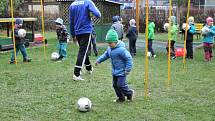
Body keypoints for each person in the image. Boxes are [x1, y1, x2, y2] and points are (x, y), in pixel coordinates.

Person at [95, 29, 134, 103]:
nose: (109, 45)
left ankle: (129, 93)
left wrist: (127, 69)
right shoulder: (110, 48)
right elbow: (106, 55)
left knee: (120, 85)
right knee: (115, 85)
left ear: (116, 41)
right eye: (108, 43)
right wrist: (99, 60)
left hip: (122, 71)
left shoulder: (121, 50)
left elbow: (129, 59)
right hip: (115, 71)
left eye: (110, 43)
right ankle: (121, 98)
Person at [69, 0, 101, 81]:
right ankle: (76, 74)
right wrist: (91, 15)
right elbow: (98, 14)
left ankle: (89, 68)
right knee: (83, 51)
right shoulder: (88, 2)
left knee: (83, 50)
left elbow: (71, 22)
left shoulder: (72, 4)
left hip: (77, 32)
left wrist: (73, 35)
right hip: (86, 31)